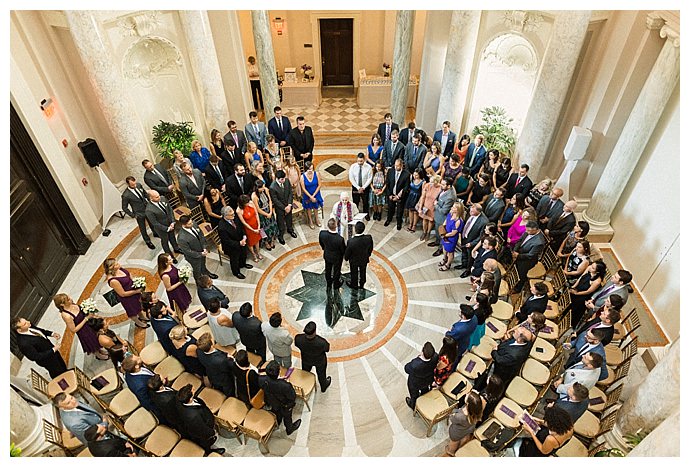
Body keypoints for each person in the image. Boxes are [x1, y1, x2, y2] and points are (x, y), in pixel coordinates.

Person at [176, 383, 225, 455]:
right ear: (190, 398)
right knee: (205, 443)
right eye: (193, 391)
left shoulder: (182, 400)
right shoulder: (193, 416)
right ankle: (209, 452)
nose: (194, 390)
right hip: (201, 432)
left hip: (201, 418)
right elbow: (203, 429)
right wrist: (212, 433)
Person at [53, 293, 106, 359]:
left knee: (97, 339)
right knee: (92, 343)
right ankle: (98, 355)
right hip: (84, 331)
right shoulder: (66, 315)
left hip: (89, 325)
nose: (71, 299)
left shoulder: (72, 304)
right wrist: (86, 319)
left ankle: (100, 350)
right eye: (68, 299)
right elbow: (74, 329)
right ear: (62, 304)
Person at [259, 361, 302, 434]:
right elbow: (292, 397)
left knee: (277, 411)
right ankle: (289, 429)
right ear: (279, 372)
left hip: (272, 401)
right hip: (284, 405)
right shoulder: (286, 386)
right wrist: (283, 382)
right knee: (287, 417)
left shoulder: (261, 379)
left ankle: (278, 421)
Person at [103, 258, 148, 328]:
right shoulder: (113, 280)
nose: (119, 264)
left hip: (134, 290)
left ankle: (142, 316)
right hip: (128, 298)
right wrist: (137, 291)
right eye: (116, 264)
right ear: (112, 267)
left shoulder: (119, 269)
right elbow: (123, 294)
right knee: (132, 311)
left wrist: (136, 282)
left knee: (138, 306)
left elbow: (128, 275)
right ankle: (139, 323)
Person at [177, 215, 217, 282]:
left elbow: (201, 235)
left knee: (203, 264)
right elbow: (187, 251)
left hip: (202, 251)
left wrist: (204, 247)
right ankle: (198, 282)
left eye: (191, 222)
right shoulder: (181, 238)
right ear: (184, 225)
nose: (192, 224)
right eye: (189, 224)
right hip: (194, 257)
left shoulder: (194, 224)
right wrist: (200, 254)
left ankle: (205, 272)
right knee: (197, 270)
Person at [510, 221, 547, 293]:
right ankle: (514, 279)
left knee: (521, 275)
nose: (526, 231)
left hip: (527, 261)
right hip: (520, 253)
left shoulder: (539, 242)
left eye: (529, 230)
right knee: (516, 269)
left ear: (536, 229)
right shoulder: (528, 231)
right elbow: (520, 241)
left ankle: (518, 288)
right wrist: (515, 250)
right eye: (526, 229)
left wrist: (518, 256)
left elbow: (531, 255)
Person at [295, 321, 332, 392]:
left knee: (305, 374)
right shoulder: (321, 342)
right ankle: (323, 386)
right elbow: (327, 349)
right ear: (315, 331)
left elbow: (296, 344)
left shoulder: (298, 338)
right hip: (320, 361)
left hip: (306, 360)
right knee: (321, 375)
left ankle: (305, 387)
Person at [196, 332, 236, 397]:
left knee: (218, 387)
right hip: (224, 378)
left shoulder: (199, 351)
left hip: (212, 375)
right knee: (229, 390)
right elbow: (229, 367)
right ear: (211, 345)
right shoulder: (221, 360)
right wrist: (230, 359)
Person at [444, 391, 484, 456]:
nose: (466, 394)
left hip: (457, 432)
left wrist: (453, 412)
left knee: (454, 442)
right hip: (468, 429)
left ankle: (451, 451)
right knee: (462, 438)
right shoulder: (477, 410)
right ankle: (460, 446)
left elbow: (452, 419)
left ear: (468, 403)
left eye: (467, 395)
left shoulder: (460, 416)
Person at [218, 206, 252, 279]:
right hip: (231, 246)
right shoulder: (222, 227)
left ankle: (243, 264)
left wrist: (244, 236)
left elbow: (241, 227)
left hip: (241, 240)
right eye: (231, 215)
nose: (234, 215)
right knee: (234, 260)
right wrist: (239, 243)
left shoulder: (234, 217)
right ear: (225, 216)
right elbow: (226, 241)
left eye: (233, 214)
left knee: (243, 254)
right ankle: (236, 272)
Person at [569, 261, 608, 327]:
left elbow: (588, 292)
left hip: (583, 296)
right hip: (577, 290)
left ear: (597, 272)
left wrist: (576, 293)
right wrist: (574, 287)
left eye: (593, 268)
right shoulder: (589, 268)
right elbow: (581, 277)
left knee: (575, 310)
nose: (590, 268)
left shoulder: (597, 281)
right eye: (591, 265)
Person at [145, 190, 181, 259]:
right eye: (156, 197)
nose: (159, 198)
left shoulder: (163, 198)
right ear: (151, 198)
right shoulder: (149, 210)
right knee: (165, 242)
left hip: (170, 224)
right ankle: (169, 256)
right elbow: (155, 223)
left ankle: (176, 248)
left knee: (172, 237)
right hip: (162, 229)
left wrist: (173, 221)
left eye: (158, 195)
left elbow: (170, 210)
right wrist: (167, 228)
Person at [121, 176, 154, 249]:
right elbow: (124, 207)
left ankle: (155, 233)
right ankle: (147, 241)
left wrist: (149, 200)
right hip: (138, 213)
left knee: (151, 222)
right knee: (143, 228)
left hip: (147, 208)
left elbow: (144, 193)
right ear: (128, 184)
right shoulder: (126, 195)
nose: (134, 185)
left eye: (134, 183)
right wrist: (133, 215)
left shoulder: (138, 185)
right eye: (132, 185)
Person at [404, 341, 438, 409]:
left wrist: (418, 358)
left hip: (415, 383)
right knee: (425, 390)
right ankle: (424, 398)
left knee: (414, 395)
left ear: (422, 351)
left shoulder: (415, 364)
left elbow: (406, 369)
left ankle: (413, 405)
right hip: (428, 380)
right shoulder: (435, 356)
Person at [455, 203, 489, 272]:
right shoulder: (470, 211)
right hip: (464, 236)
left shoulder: (484, 221)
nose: (470, 212)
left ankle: (468, 269)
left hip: (472, 241)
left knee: (470, 256)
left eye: (472, 211)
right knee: (463, 252)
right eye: (470, 210)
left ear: (479, 211)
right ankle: (463, 264)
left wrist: (472, 243)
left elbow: (481, 236)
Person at [344, 221, 374, 290]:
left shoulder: (351, 241)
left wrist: (346, 258)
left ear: (355, 229)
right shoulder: (368, 238)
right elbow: (370, 248)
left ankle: (354, 284)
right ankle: (362, 284)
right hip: (364, 259)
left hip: (354, 261)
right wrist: (368, 255)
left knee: (354, 273)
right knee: (363, 272)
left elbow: (347, 253)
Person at [269, 169, 297, 244]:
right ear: (277, 179)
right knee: (281, 222)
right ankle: (281, 236)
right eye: (282, 179)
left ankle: (290, 230)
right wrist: (284, 208)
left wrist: (289, 205)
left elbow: (290, 193)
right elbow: (275, 200)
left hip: (288, 205)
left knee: (289, 219)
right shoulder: (272, 187)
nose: (284, 180)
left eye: (284, 178)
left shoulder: (287, 181)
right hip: (280, 208)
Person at [319, 218, 346, 289]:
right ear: (336, 226)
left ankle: (329, 282)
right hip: (337, 258)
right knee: (337, 271)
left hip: (327, 255)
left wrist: (324, 248)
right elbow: (343, 250)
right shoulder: (340, 239)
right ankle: (336, 284)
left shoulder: (322, 233)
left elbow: (321, 243)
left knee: (328, 269)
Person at [252, 179, 278, 251]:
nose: (263, 188)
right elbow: (258, 209)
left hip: (269, 210)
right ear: (258, 188)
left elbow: (269, 200)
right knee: (264, 229)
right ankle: (266, 242)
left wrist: (270, 211)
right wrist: (266, 214)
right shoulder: (254, 196)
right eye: (262, 187)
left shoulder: (266, 190)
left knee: (272, 225)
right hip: (262, 213)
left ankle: (272, 240)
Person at [385, 158, 411, 230]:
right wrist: (389, 194)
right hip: (391, 194)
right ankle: (388, 219)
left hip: (400, 196)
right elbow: (387, 183)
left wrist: (398, 196)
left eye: (398, 166)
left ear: (401, 165)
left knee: (399, 211)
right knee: (390, 208)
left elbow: (406, 187)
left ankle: (399, 223)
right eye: (395, 166)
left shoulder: (406, 174)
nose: (396, 167)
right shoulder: (390, 171)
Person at [236, 194, 263, 262]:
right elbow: (243, 222)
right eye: (246, 203)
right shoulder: (239, 210)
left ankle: (258, 252)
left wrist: (259, 225)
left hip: (256, 225)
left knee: (257, 240)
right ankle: (253, 254)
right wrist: (253, 230)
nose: (248, 203)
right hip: (249, 228)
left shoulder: (251, 203)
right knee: (251, 242)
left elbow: (256, 213)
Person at [438, 202, 464, 271]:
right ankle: (444, 258)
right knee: (444, 247)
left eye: (454, 207)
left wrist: (444, 235)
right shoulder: (450, 214)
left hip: (451, 238)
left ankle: (448, 264)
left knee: (450, 252)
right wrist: (442, 230)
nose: (452, 207)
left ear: (458, 210)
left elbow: (453, 233)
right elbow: (445, 222)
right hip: (445, 234)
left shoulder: (458, 221)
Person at [300, 161, 323, 229]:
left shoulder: (317, 174)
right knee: (309, 208)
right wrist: (310, 197)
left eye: (312, 169)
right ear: (306, 169)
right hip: (307, 195)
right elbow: (303, 188)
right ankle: (310, 221)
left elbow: (319, 185)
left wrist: (313, 195)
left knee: (316, 207)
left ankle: (316, 219)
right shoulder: (302, 177)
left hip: (316, 193)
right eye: (309, 169)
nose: (311, 170)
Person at [350, 152, 373, 218]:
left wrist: (363, 187)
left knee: (365, 202)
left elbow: (369, 178)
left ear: (364, 160)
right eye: (358, 161)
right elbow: (351, 178)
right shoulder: (353, 167)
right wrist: (358, 187)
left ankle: (366, 214)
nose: (360, 163)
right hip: (355, 187)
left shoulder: (368, 167)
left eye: (361, 161)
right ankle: (355, 213)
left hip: (365, 188)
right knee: (355, 201)